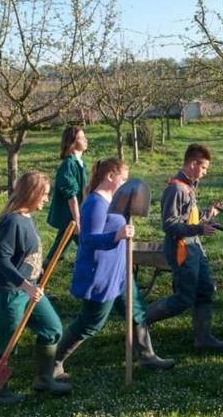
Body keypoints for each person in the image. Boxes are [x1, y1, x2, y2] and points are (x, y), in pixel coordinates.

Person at [54, 158, 174, 380]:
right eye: (123, 178)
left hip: (121, 272)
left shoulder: (114, 201)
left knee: (136, 312)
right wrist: (117, 235)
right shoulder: (95, 204)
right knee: (90, 323)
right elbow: (87, 240)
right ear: (110, 176)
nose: (125, 183)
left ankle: (147, 356)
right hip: (101, 274)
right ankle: (54, 362)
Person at [0, 171, 70, 402]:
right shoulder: (12, 221)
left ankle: (43, 378)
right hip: (9, 293)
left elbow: (24, 255)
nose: (46, 199)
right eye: (44, 194)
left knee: (52, 329)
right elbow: (1, 260)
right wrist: (25, 284)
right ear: (32, 193)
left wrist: (41, 265)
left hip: (29, 289)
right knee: (6, 341)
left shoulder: (27, 218)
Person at [144, 144, 223, 352]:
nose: (205, 173)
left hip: (194, 247)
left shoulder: (189, 186)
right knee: (184, 298)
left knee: (205, 290)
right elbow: (169, 224)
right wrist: (200, 230)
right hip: (181, 248)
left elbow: (188, 217)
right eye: (203, 168)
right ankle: (138, 321)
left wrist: (209, 213)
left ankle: (203, 338)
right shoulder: (176, 188)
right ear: (193, 164)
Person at [45, 126, 88, 265]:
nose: (86, 140)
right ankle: (41, 272)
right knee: (86, 245)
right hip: (70, 215)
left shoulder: (81, 163)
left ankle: (42, 271)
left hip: (76, 214)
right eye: (81, 138)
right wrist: (77, 220)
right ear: (72, 142)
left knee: (60, 248)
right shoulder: (68, 165)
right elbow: (71, 195)